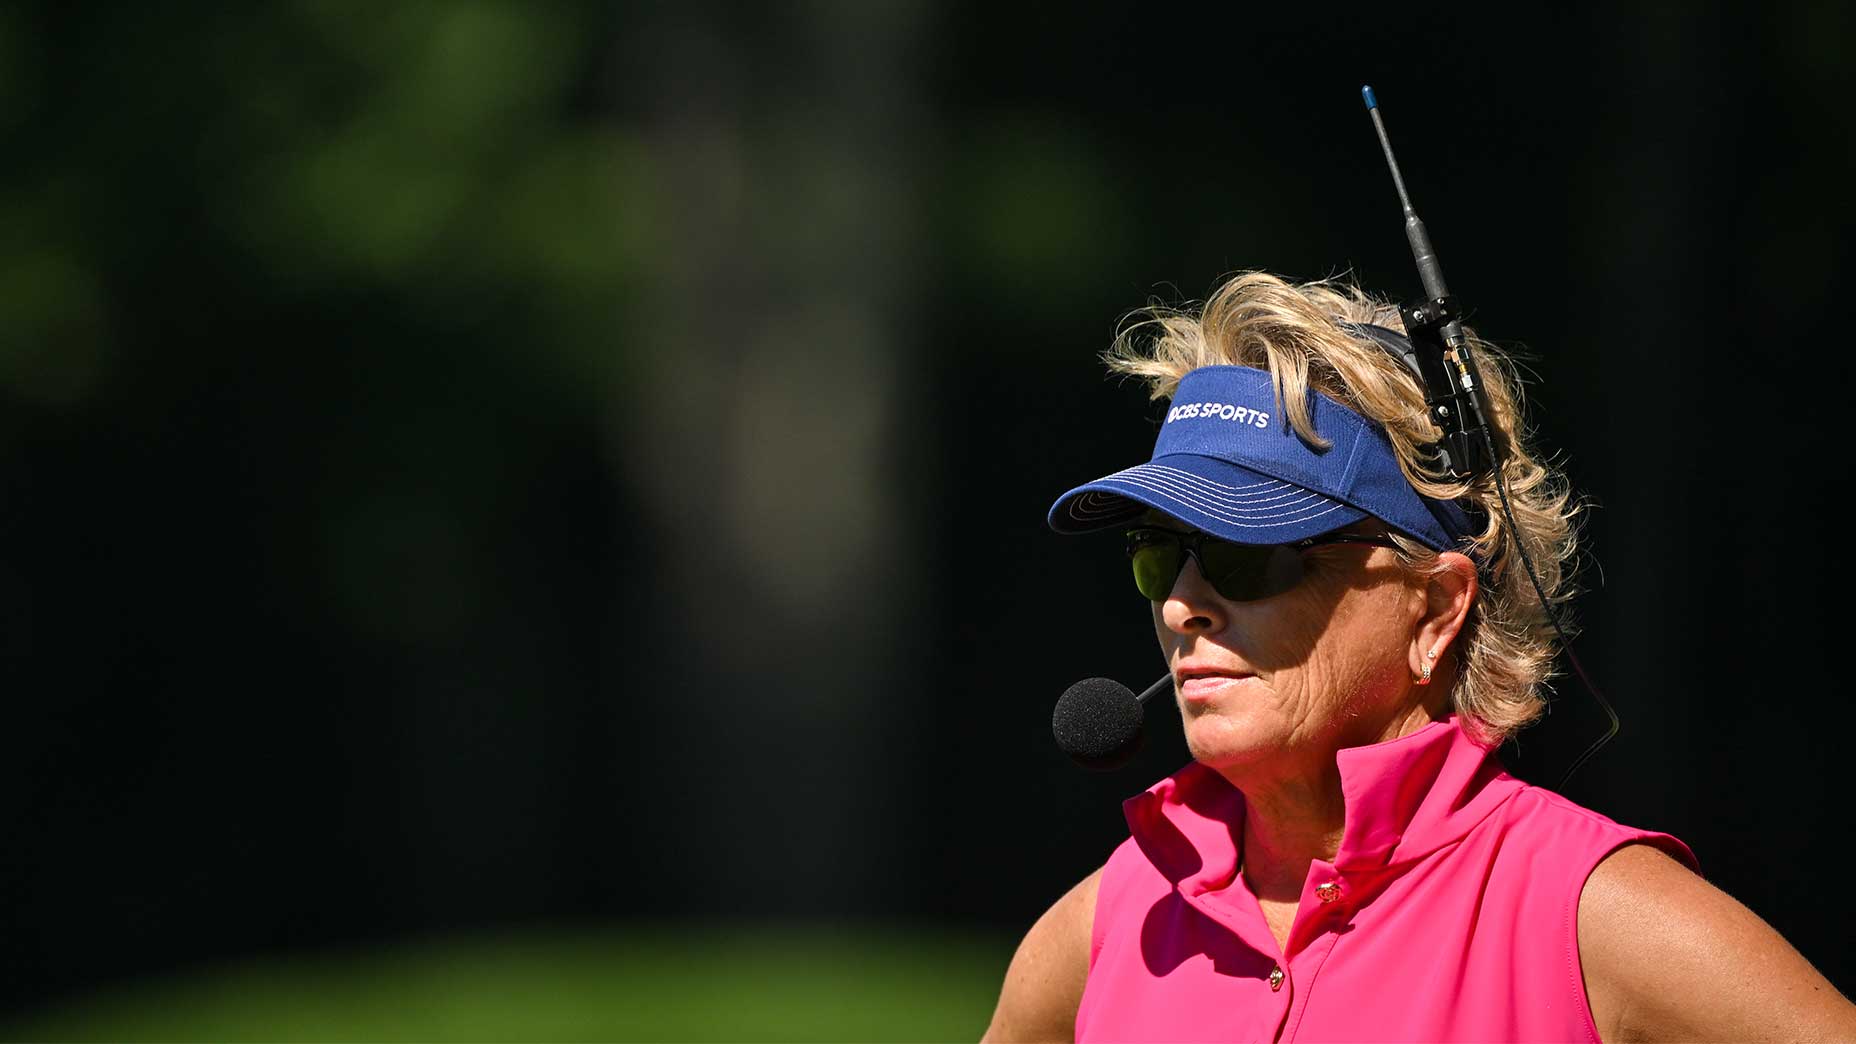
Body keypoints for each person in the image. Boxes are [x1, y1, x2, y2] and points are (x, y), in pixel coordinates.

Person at [981, 272, 1856, 1043]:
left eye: (1248, 555)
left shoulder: (1595, 917)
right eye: (1159, 554)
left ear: (1434, 608)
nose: (1180, 603)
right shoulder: (1107, 925)